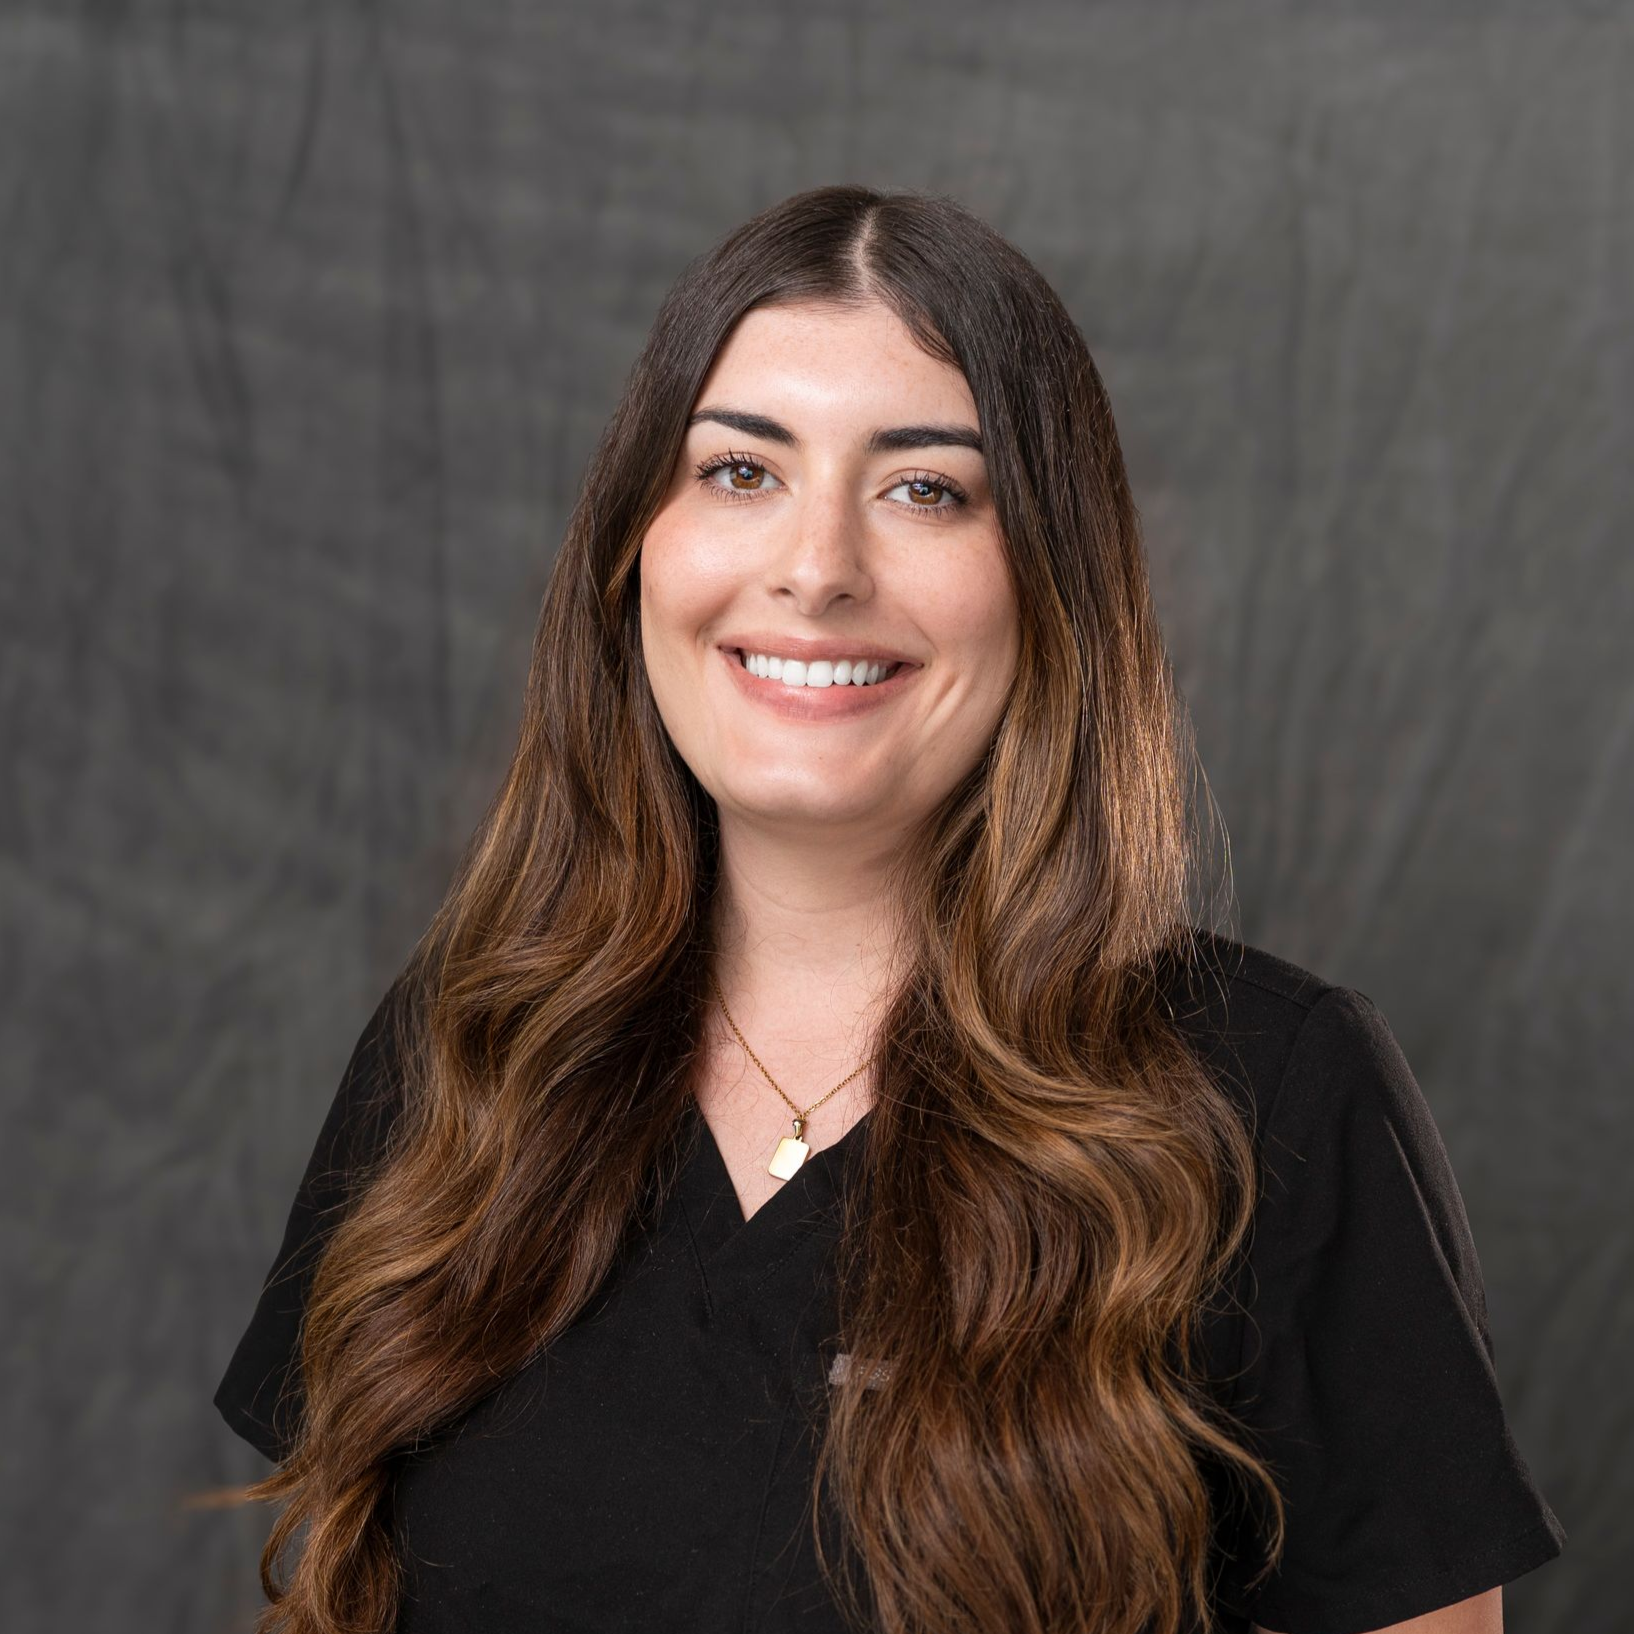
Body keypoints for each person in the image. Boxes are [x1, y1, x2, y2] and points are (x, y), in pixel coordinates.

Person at [211, 184, 1565, 1634]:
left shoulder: (1266, 1092)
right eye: (739, 471)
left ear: (1049, 580)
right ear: (632, 551)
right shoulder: (465, 1054)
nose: (815, 566)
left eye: (926, 487)